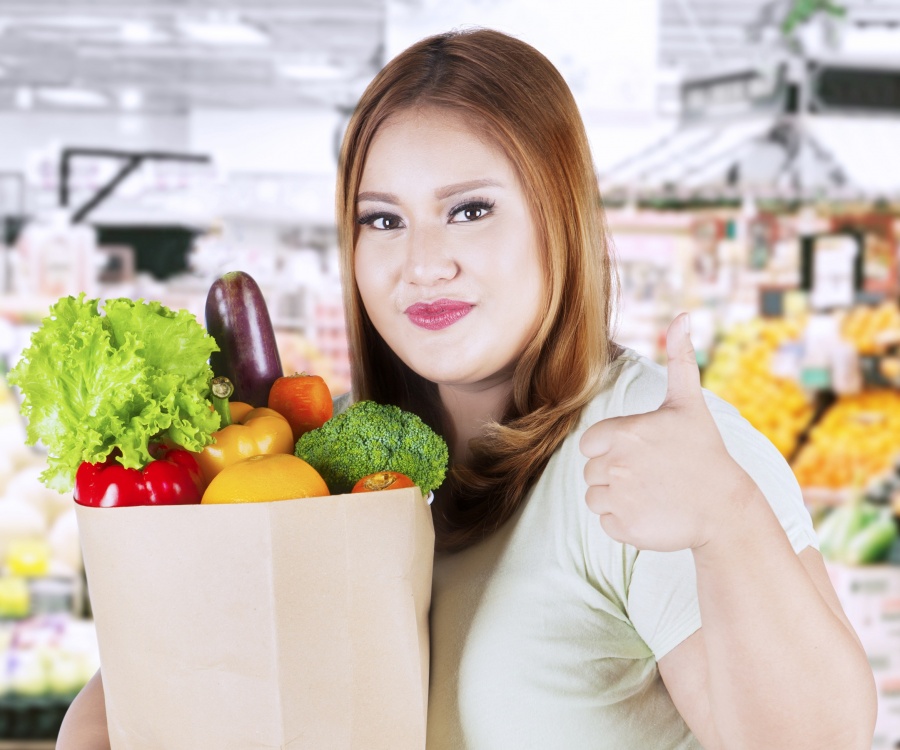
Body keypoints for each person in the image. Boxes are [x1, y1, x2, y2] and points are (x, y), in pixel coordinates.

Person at [58, 28, 876, 750]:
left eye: (471, 210)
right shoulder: (328, 468)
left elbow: (815, 739)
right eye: (383, 220)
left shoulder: (656, 446)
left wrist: (727, 519)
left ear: (560, 215)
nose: (422, 262)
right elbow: (130, 705)